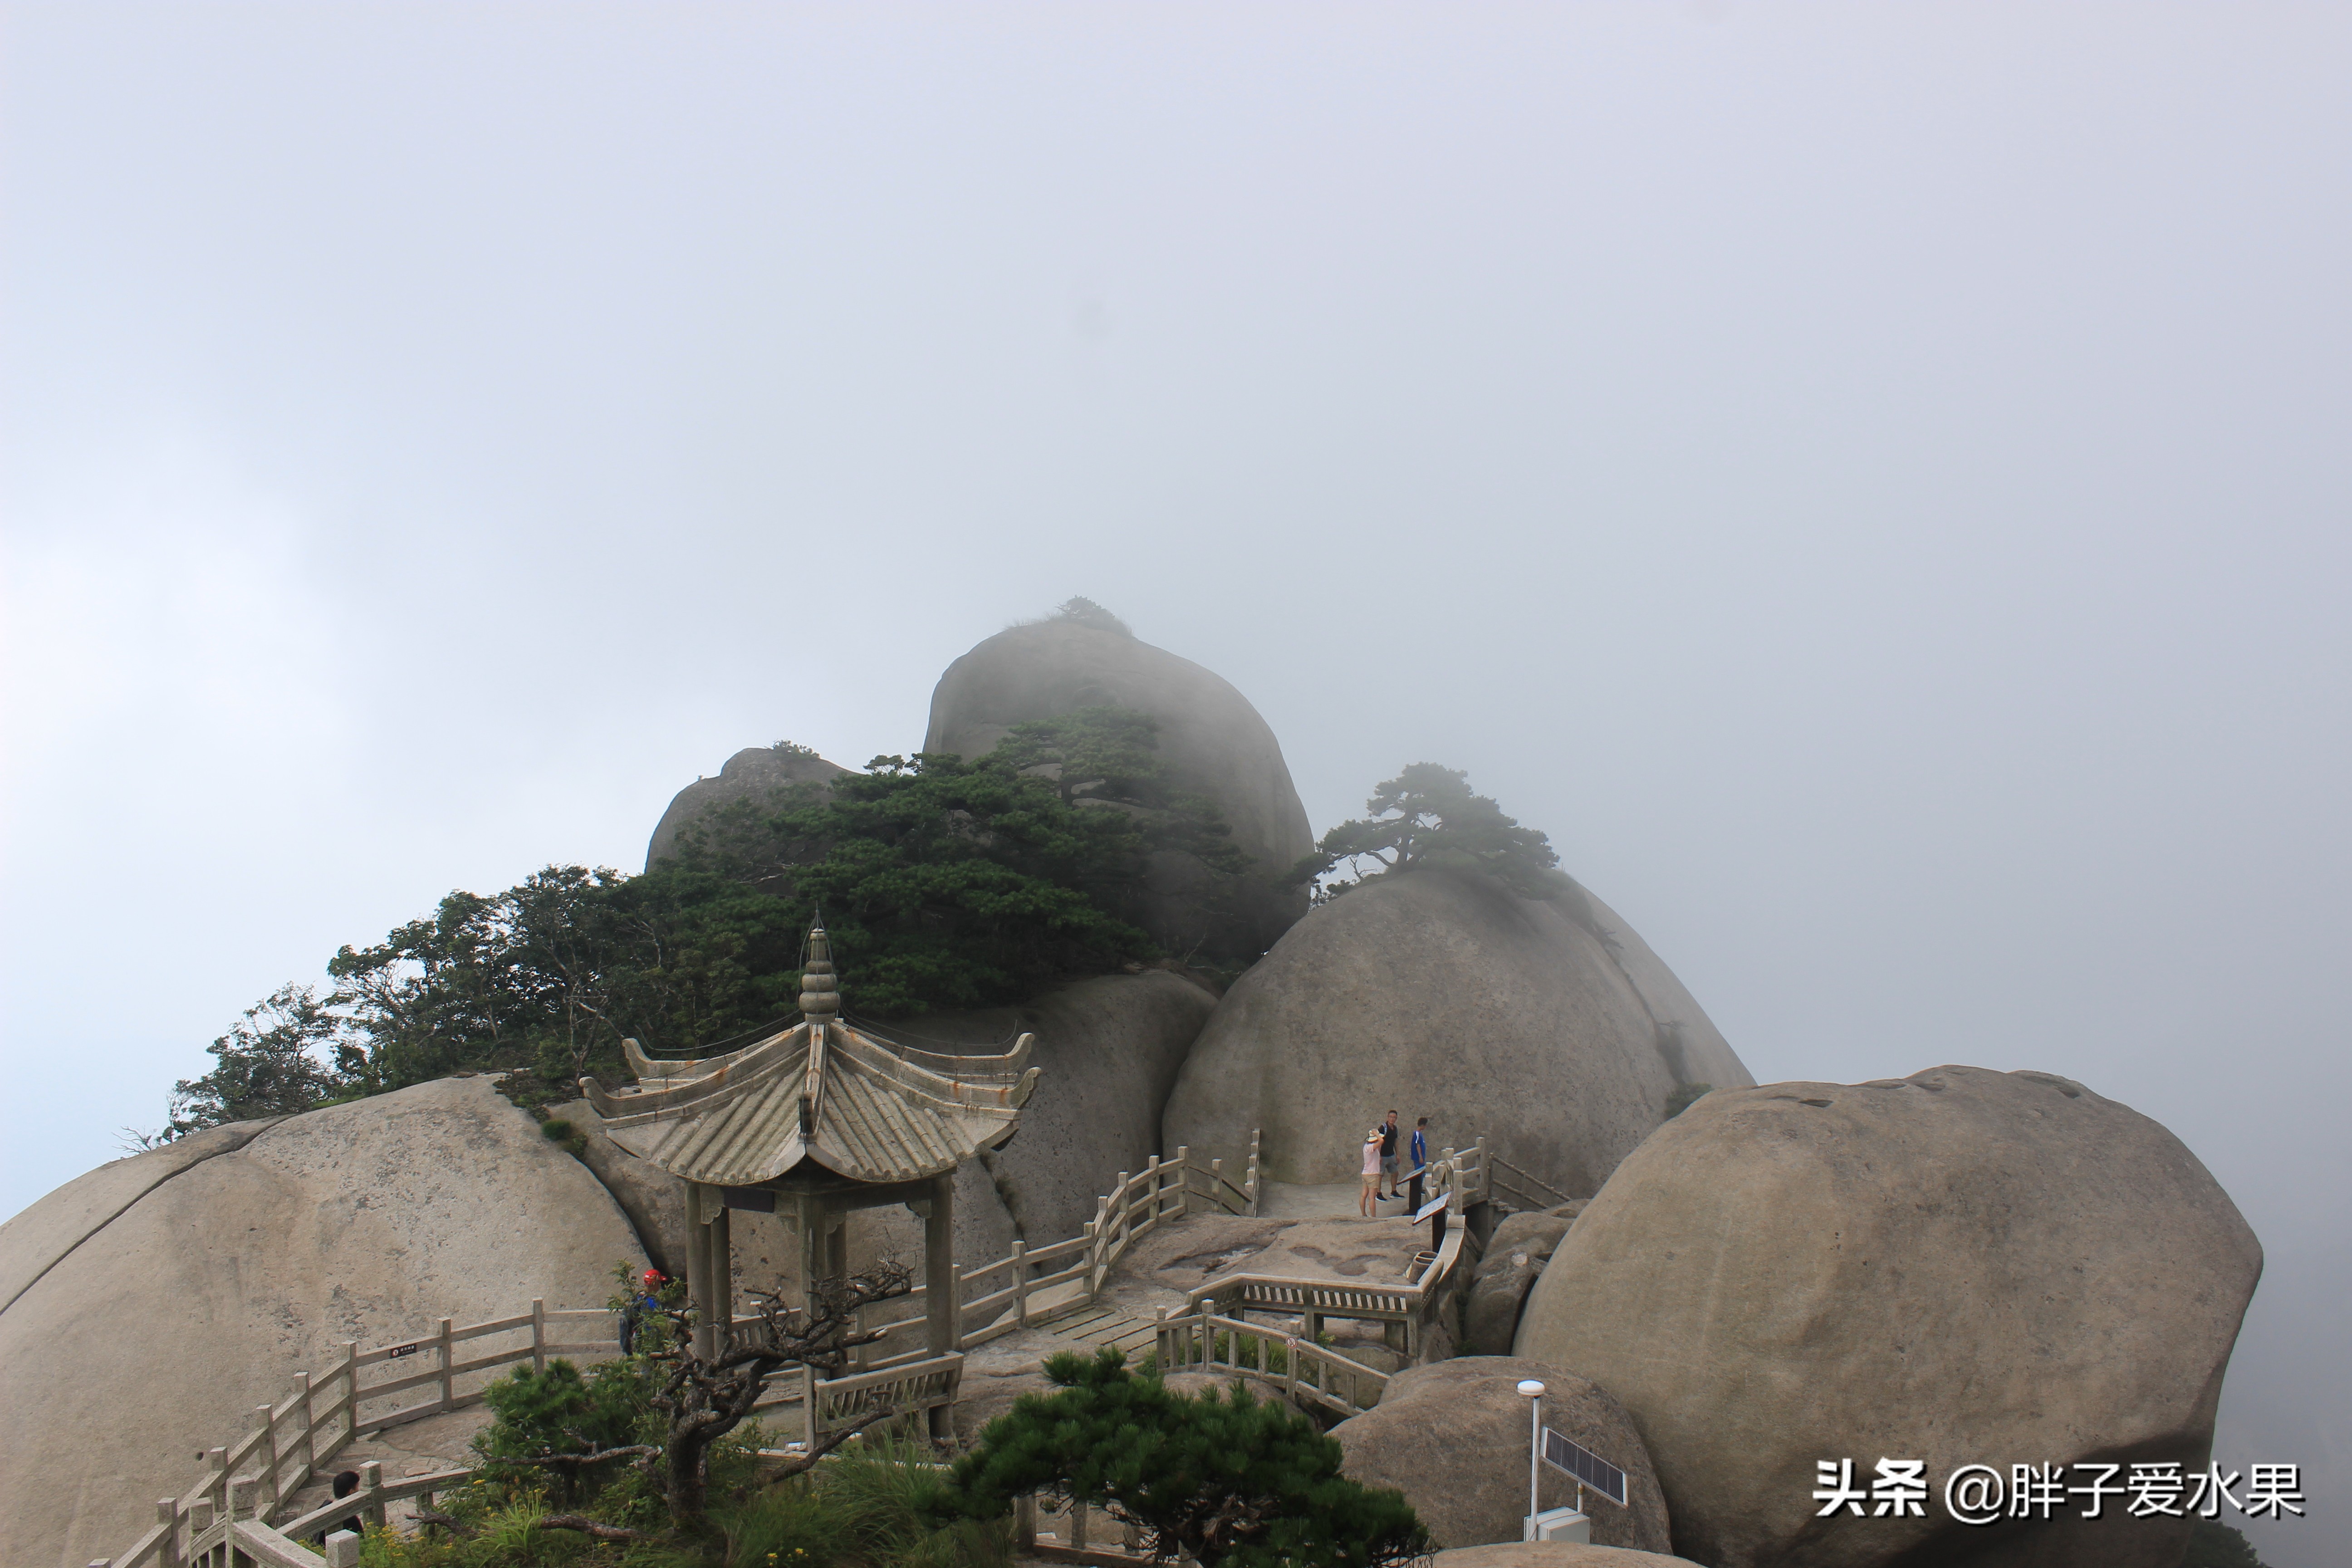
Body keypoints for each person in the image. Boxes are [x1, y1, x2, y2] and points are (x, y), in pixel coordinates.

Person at [619, 1267, 666, 1355]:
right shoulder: (653, 1302)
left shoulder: (637, 1298)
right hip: (650, 1342)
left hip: (637, 1341)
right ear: (655, 1283)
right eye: (659, 1282)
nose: (660, 1285)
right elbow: (657, 1323)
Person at [310, 1470, 362, 1545]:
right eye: (357, 1487)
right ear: (351, 1492)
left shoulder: (325, 1506)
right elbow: (361, 1541)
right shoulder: (351, 1519)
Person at [1406, 1116, 1430, 1216]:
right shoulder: (1417, 1134)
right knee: (1420, 1173)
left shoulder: (1420, 1134)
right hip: (1418, 1158)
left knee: (1422, 1174)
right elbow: (1418, 1145)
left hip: (1421, 1158)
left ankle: (1420, 1187)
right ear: (1423, 1125)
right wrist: (1420, 1156)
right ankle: (1419, 1188)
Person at [1358, 1130, 1384, 1217]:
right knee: (1372, 1198)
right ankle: (1374, 1217)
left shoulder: (1366, 1147)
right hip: (1372, 1175)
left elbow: (1379, 1146)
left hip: (1365, 1174)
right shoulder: (1371, 1147)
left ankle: (1363, 1214)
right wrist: (1377, 1134)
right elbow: (1382, 1141)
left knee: (1363, 1195)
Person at [1378, 1110, 1402, 1199]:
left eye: (1394, 1117)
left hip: (1391, 1155)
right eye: (1391, 1117)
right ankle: (1379, 1193)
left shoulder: (1395, 1129)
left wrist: (1398, 1154)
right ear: (1388, 1117)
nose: (1392, 1119)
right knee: (1380, 1175)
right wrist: (1379, 1156)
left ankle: (1394, 1191)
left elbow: (1396, 1142)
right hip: (1383, 1155)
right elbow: (1378, 1142)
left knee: (1395, 1173)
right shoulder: (1382, 1128)